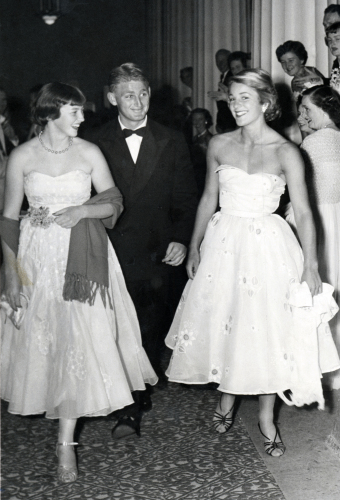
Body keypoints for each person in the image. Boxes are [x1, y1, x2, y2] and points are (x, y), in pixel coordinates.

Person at [165, 69, 340, 457]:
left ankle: (266, 417)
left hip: (268, 248)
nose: (236, 105)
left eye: (245, 98)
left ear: (265, 103)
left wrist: (311, 265)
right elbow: (208, 198)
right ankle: (227, 395)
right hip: (224, 245)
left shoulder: (286, 152)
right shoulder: (218, 144)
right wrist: (194, 246)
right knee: (228, 320)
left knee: (266, 330)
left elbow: (306, 213)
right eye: (232, 98)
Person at [0, 82, 158, 483]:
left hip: (84, 260)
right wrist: (12, 276)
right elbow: (9, 219)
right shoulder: (22, 156)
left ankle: (65, 442)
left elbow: (114, 201)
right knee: (47, 341)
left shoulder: (89, 152)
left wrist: (82, 212)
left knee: (78, 342)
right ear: (51, 113)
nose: (83, 118)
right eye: (75, 111)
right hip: (37, 259)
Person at [86, 63, 198, 437]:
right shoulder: (95, 141)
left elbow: (187, 196)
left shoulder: (171, 139)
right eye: (129, 95)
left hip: (157, 250)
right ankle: (130, 403)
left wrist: (181, 238)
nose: (138, 102)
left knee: (149, 324)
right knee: (119, 324)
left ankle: (139, 387)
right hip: (112, 246)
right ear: (112, 98)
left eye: (143, 93)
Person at [299, 85, 340, 389]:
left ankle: (314, 365)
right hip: (338, 217)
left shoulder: (312, 142)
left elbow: (302, 191)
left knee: (314, 291)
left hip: (316, 218)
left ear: (324, 108)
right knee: (337, 286)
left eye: (307, 109)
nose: (303, 115)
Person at [207, 49, 237, 133]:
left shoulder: (232, 76)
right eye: (218, 61)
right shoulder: (224, 76)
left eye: (223, 60)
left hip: (231, 126)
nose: (220, 64)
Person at [190, 108, 213, 197]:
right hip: (196, 177)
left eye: (200, 119)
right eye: (194, 119)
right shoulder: (195, 138)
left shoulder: (209, 139)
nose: (197, 122)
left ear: (206, 121)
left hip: (205, 178)